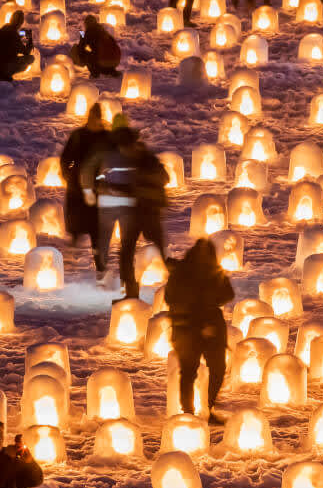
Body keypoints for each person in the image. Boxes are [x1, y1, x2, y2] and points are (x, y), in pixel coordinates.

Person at [82, 118, 168, 298]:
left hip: (149, 210)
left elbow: (159, 179)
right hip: (134, 212)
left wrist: (123, 187)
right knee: (126, 251)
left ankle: (178, 283)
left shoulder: (146, 160)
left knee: (159, 249)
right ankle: (130, 290)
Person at [166, 238, 234, 423]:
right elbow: (171, 298)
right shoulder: (181, 274)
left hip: (210, 328)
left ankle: (207, 408)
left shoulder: (214, 273)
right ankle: (188, 413)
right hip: (187, 329)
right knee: (189, 371)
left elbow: (228, 294)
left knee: (217, 369)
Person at [60, 104, 110, 247]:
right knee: (77, 211)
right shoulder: (78, 135)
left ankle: (98, 242)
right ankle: (75, 236)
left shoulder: (105, 137)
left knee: (96, 214)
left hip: (97, 181)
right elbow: (66, 157)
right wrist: (67, 174)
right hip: (77, 180)